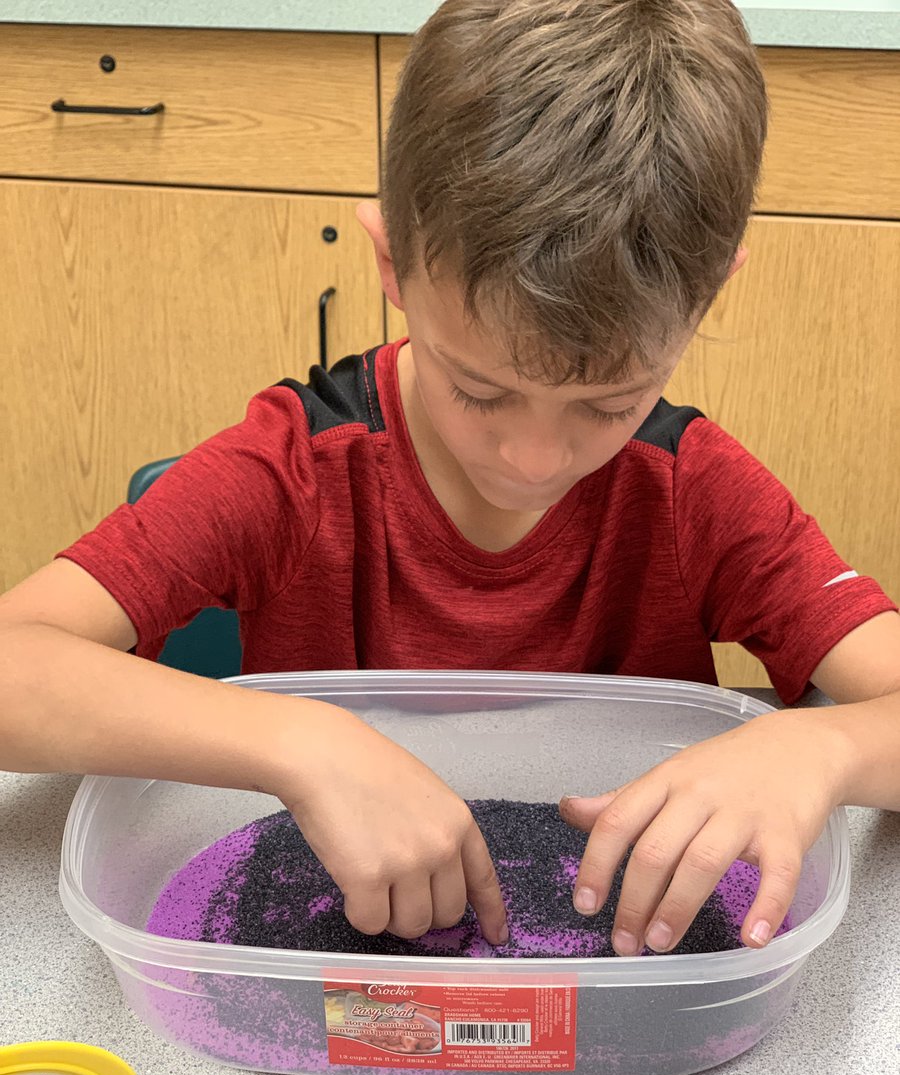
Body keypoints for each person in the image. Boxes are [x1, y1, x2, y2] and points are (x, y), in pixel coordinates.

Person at [1, 0, 898, 961]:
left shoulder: (693, 494)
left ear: (712, 292)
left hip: (617, 978)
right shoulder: (294, 471)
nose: (535, 460)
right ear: (392, 262)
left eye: (607, 405)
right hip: (336, 964)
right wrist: (298, 743)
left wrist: (819, 749)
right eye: (481, 390)